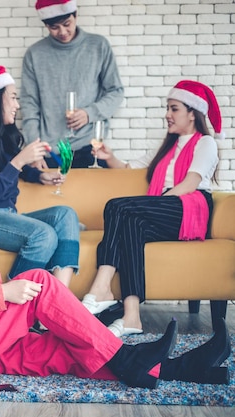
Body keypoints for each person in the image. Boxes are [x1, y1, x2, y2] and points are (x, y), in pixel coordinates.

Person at [0, 134, 230, 388]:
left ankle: (178, 369)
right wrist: (3, 296)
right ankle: (126, 357)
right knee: (39, 281)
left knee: (55, 348)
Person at [80, 80, 223, 338]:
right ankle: (132, 316)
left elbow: (191, 182)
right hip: (165, 207)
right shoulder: (167, 148)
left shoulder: (205, 143)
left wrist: (157, 202)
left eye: (174, 108)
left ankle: (101, 287)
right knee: (131, 224)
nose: (167, 115)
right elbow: (128, 167)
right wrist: (108, 157)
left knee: (116, 206)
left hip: (189, 208)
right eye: (167, 109)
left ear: (193, 113)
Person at [0, 66, 79, 286]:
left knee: (65, 214)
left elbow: (11, 167)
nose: (17, 105)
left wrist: (41, 176)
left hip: (7, 213)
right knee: (43, 234)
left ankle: (58, 299)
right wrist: (19, 161)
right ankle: (11, 304)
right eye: (13, 98)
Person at [21, 0, 124, 168]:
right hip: (50, 151)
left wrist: (89, 113)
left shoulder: (98, 46)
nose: (62, 32)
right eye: (54, 27)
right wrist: (34, 151)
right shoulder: (35, 54)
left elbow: (116, 91)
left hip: (90, 148)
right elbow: (29, 105)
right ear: (45, 25)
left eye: (67, 24)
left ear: (75, 15)